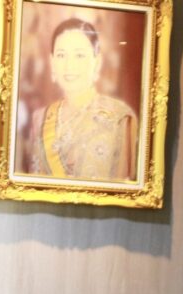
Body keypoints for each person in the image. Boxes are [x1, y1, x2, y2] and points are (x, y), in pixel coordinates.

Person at [27, 18, 138, 181]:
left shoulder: (119, 118)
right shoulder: (39, 119)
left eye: (79, 55)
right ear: (52, 62)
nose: (69, 65)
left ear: (97, 61)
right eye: (61, 55)